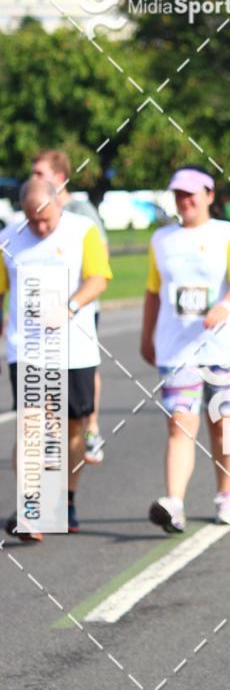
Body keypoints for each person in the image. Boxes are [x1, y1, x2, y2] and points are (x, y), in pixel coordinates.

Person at [141, 165, 230, 532]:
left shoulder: (226, 233)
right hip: (177, 351)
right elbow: (153, 291)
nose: (184, 201)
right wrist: (147, 337)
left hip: (221, 348)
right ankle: (173, 503)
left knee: (222, 425)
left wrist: (224, 306)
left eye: (191, 194)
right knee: (180, 425)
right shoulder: (161, 239)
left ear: (209, 195)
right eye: (178, 194)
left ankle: (224, 494)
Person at [0, 179, 112, 539]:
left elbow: (98, 278)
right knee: (32, 425)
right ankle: (33, 506)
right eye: (34, 221)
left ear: (58, 205)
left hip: (74, 348)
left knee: (72, 428)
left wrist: (70, 307)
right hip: (27, 348)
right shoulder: (10, 238)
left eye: (47, 219)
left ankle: (65, 500)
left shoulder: (83, 231)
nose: (41, 228)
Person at [31, 149, 108, 464]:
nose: (33, 179)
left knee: (87, 366)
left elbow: (99, 257)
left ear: (59, 178)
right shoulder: (34, 212)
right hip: (45, 316)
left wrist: (74, 302)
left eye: (40, 174)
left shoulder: (80, 211)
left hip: (80, 308)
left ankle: (90, 426)